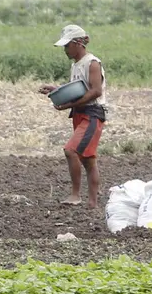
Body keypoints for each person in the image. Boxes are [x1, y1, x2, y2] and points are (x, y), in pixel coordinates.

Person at [39, 24, 108, 208]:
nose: (65, 50)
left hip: (92, 114)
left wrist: (69, 105)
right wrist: (57, 90)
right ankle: (92, 203)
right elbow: (77, 89)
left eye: (67, 46)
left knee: (71, 151)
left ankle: (75, 195)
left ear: (78, 43)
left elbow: (95, 92)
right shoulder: (76, 65)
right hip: (80, 114)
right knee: (88, 159)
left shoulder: (92, 63)